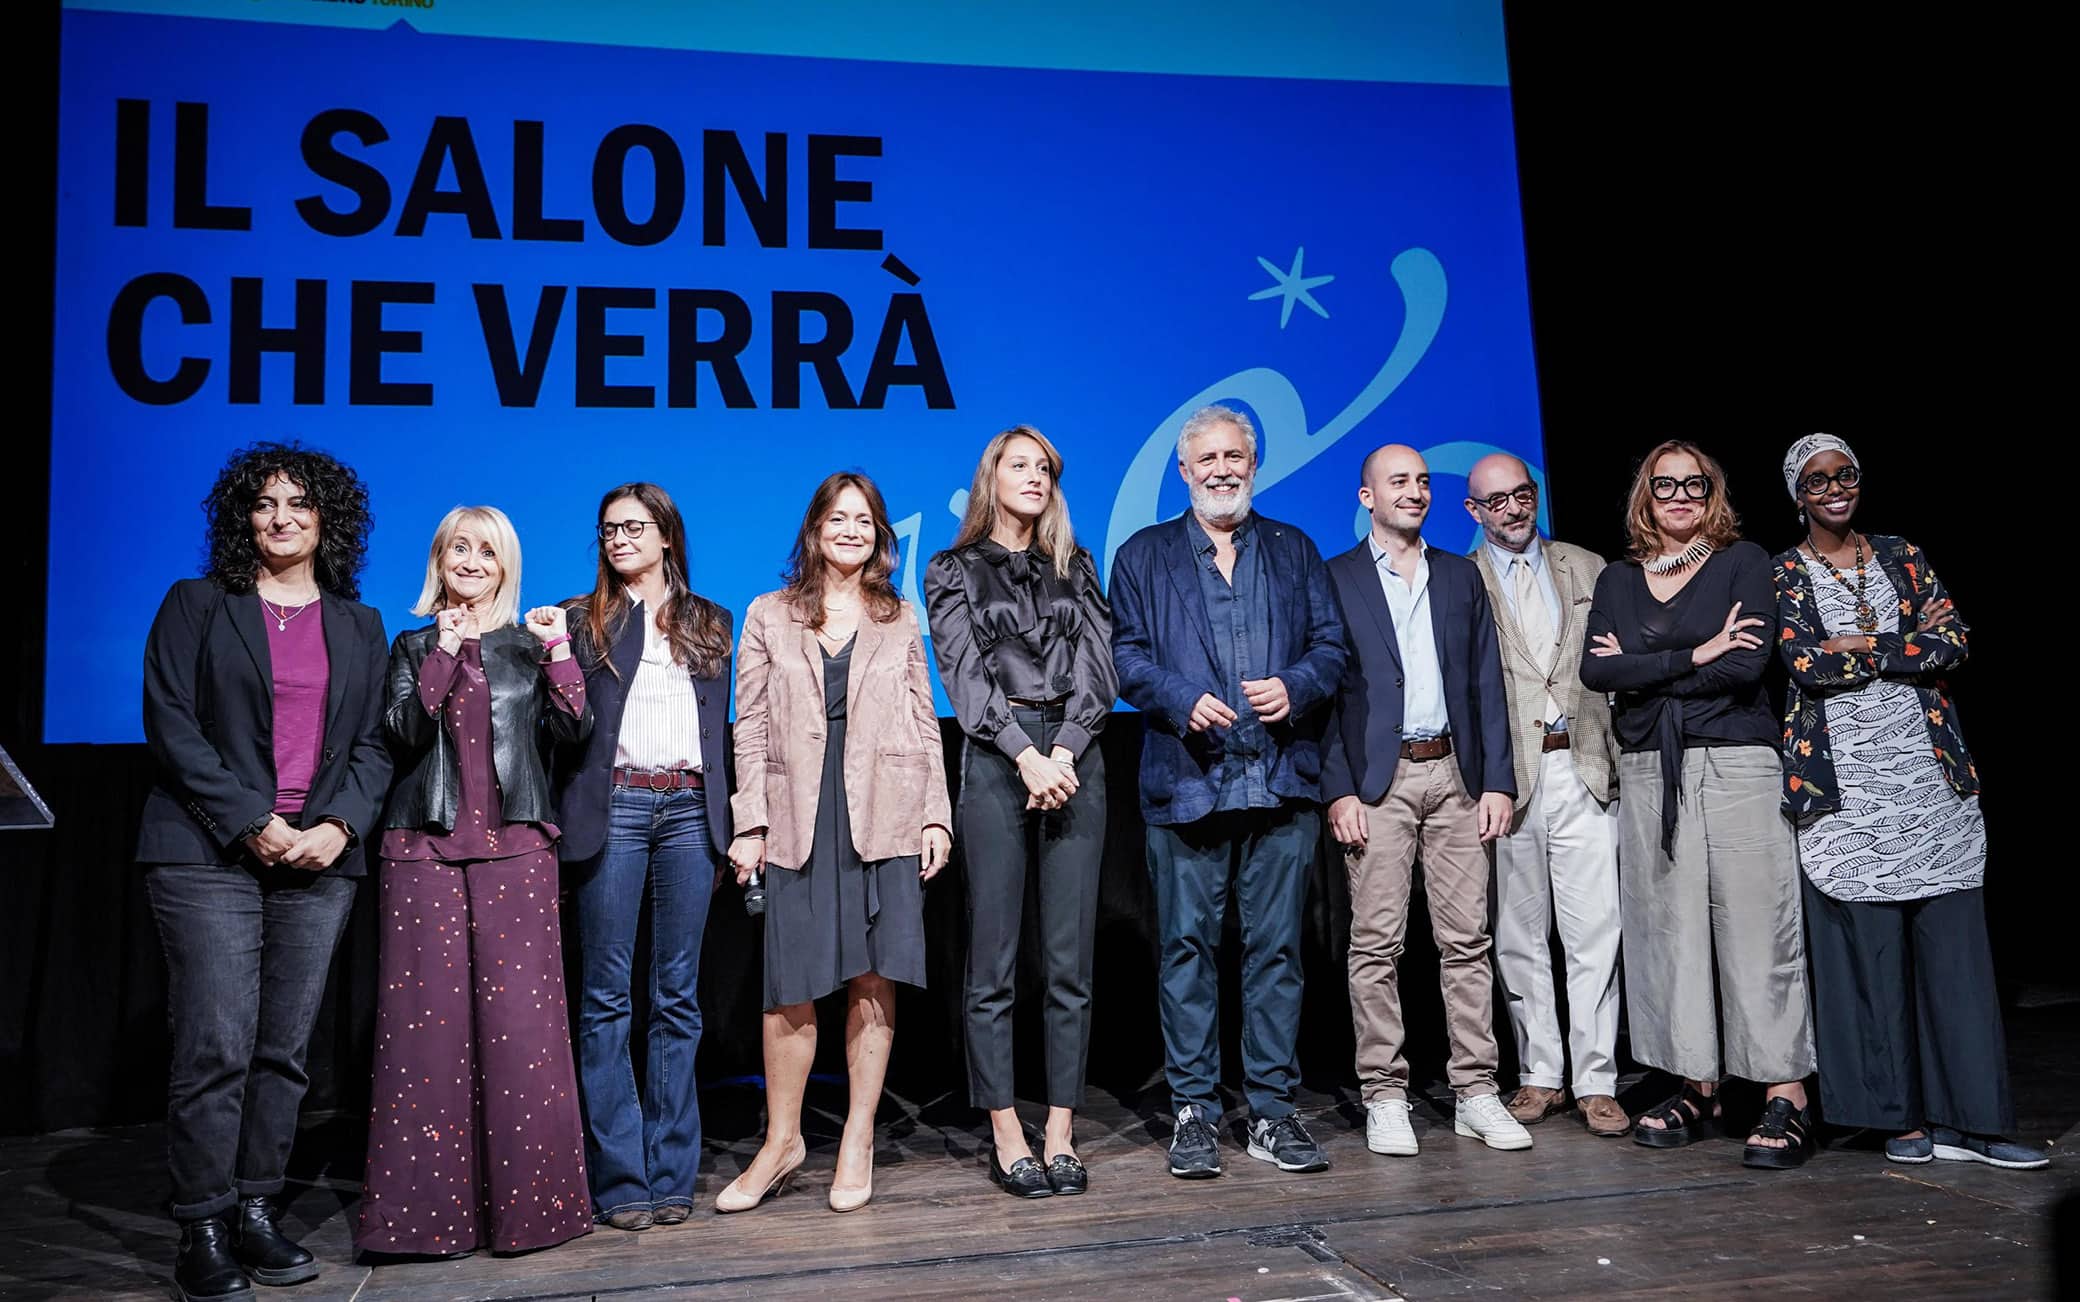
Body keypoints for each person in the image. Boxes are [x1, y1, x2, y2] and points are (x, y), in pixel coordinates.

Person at [137, 443, 391, 1302]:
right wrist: (252, 823)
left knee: (283, 1053)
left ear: (327, 519)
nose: (279, 518)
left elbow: (373, 747)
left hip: (319, 859)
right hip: (208, 854)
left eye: (298, 503)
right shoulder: (198, 604)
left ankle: (255, 1210)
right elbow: (172, 726)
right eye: (263, 504)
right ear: (241, 519)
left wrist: (337, 825)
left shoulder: (360, 623)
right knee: (216, 1044)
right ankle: (202, 1225)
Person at [1774, 434, 2047, 1170]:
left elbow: (1953, 641)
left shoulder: (1902, 554)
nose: (1836, 488)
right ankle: (1897, 1119)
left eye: (1847, 475)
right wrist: (1900, 645)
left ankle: (1975, 1121)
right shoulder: (1785, 574)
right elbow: (1803, 662)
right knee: (1872, 959)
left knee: (1954, 956)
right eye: (1819, 480)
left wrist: (1863, 643)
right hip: (1848, 793)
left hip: (1929, 783)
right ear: (1798, 494)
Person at [1110, 404, 1347, 1179]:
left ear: (1254, 463)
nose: (1221, 469)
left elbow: (1331, 649)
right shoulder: (1144, 555)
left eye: (1234, 456)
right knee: (1186, 952)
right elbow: (1127, 656)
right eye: (1206, 458)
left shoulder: (1293, 547)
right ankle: (1194, 1111)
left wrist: (1297, 687)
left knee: (1277, 953)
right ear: (1184, 471)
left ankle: (1273, 1114)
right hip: (1187, 785)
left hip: (1280, 783)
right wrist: (1179, 698)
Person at [354, 507, 594, 1257]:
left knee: (524, 1037)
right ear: (439, 559)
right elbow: (399, 734)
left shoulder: (528, 645)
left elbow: (572, 731)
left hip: (517, 852)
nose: (471, 560)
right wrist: (444, 653)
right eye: (459, 547)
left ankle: (534, 1216)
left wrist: (558, 650)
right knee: (427, 1042)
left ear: (504, 566)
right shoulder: (414, 643)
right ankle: (425, 1224)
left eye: (486, 551)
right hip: (422, 853)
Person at [1579, 440, 1818, 1169]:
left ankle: (1786, 1093)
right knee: (1668, 935)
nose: (1679, 496)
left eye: (1694, 484)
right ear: (1644, 498)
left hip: (1738, 762)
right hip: (1653, 769)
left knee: (1755, 927)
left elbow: (1747, 663)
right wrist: (1694, 654)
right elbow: (1596, 669)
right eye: (1664, 485)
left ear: (1712, 492)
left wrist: (1646, 673)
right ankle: (1695, 1082)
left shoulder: (1743, 563)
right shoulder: (1619, 579)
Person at [720, 472, 952, 1214]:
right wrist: (748, 821)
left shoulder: (899, 616)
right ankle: (782, 1142)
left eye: (864, 519)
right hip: (795, 814)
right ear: (815, 528)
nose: (851, 529)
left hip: (885, 810)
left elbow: (924, 722)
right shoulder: (768, 613)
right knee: (789, 986)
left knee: (873, 977)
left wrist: (936, 817)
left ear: (879, 534)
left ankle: (858, 1138)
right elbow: (748, 726)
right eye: (838, 517)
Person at [925, 425, 1117, 1198]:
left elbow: (1100, 671)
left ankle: (1061, 1129)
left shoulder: (1078, 566)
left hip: (1076, 757)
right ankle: (1006, 1130)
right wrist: (1025, 754)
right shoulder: (952, 568)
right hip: (1000, 760)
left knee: (1070, 962)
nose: (1034, 477)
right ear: (991, 476)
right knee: (994, 961)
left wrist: (1064, 751)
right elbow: (962, 674)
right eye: (1020, 465)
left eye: (1045, 468)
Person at [1322, 445, 1527, 1158]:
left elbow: (1486, 684)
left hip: (1455, 776)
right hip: (1379, 784)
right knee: (1375, 944)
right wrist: (1339, 788)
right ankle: (1384, 1094)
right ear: (1366, 497)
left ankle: (1475, 1090)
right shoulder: (1336, 579)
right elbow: (1325, 698)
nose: (1413, 492)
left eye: (1420, 482)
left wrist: (1497, 779)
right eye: (1397, 482)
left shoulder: (1460, 576)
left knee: (1466, 941)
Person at [557, 482, 736, 1230]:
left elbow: (730, 731)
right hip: (617, 810)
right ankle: (621, 1176)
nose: (619, 538)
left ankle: (671, 1174)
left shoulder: (711, 622)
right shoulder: (580, 619)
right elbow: (563, 727)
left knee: (676, 997)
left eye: (634, 526)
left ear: (667, 535)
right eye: (608, 529)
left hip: (691, 811)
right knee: (605, 998)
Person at [1461, 453, 1628, 1138]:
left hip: (1583, 766)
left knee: (1596, 930)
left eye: (1521, 495)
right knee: (1519, 936)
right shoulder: (1459, 580)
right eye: (1495, 501)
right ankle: (1539, 1075)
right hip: (1510, 778)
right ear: (1473, 511)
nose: (1511, 509)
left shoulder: (1588, 567)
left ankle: (1596, 1080)